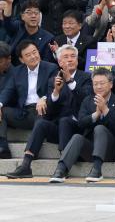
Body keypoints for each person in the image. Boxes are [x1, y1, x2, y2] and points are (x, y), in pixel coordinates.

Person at [4, 45, 92, 179]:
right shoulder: (54, 80)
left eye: (72, 56)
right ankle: (26, 164)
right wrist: (55, 92)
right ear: (59, 62)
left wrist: (70, 81)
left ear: (77, 60)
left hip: (78, 127)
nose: (69, 60)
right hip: (60, 128)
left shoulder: (86, 77)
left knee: (65, 121)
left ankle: (63, 166)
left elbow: (85, 100)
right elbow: (50, 110)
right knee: (42, 124)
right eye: (65, 57)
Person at [49, 69, 115, 183]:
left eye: (102, 83)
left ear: (111, 84)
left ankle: (97, 170)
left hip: (111, 149)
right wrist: (96, 114)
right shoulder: (88, 101)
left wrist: (106, 110)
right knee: (77, 137)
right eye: (95, 84)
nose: (98, 87)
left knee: (100, 128)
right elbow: (81, 123)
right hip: (91, 148)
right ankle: (61, 170)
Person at [0, 42, 58, 159]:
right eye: (28, 55)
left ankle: (31, 153)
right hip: (24, 112)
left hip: (43, 110)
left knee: (41, 115)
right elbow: (8, 90)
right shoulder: (17, 72)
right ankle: (3, 147)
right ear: (21, 60)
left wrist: (44, 98)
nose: (33, 56)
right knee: (2, 111)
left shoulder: (51, 68)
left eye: (34, 52)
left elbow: (54, 89)